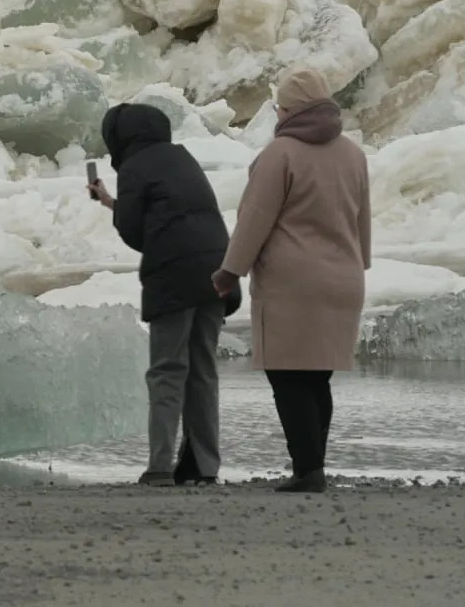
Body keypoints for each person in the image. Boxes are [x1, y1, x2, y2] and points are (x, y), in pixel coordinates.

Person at [212, 66, 370, 494]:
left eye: (280, 106)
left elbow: (254, 220)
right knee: (316, 376)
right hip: (345, 277)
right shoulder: (354, 154)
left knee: (286, 374)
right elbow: (362, 219)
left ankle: (308, 470)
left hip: (293, 283)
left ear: (292, 109)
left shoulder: (280, 154)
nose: (278, 114)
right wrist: (361, 262)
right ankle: (312, 465)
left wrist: (230, 271)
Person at [90, 103, 241, 488]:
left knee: (167, 371)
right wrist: (111, 201)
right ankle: (204, 466)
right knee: (203, 370)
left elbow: (135, 232)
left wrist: (117, 208)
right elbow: (171, 212)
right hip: (216, 271)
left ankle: (160, 466)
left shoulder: (133, 167)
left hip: (174, 275)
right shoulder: (181, 157)